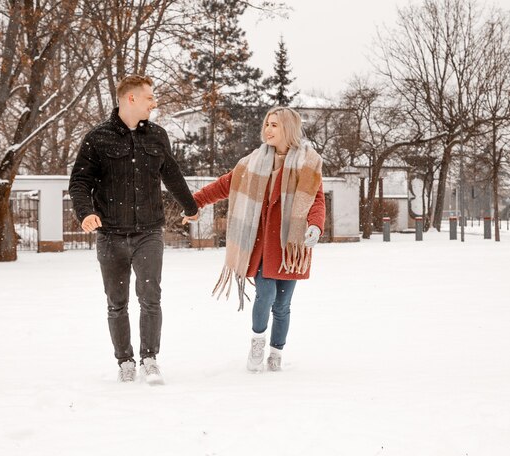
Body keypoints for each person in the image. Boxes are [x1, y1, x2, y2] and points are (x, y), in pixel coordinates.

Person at [69, 75, 199, 384]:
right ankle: (125, 361)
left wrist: (190, 206)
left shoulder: (157, 136)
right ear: (131, 99)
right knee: (117, 303)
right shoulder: (97, 138)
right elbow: (79, 183)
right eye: (150, 97)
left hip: (149, 233)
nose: (154, 103)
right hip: (111, 235)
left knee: (150, 296)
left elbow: (172, 174)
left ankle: (150, 357)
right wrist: (85, 213)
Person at [188, 107, 325, 372]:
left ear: (289, 129)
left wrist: (315, 226)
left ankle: (276, 352)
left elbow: (316, 200)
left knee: (283, 305)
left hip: (290, 245)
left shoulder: (308, 163)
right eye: (267, 124)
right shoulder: (252, 162)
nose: (268, 129)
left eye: (275, 125)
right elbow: (224, 185)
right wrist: (194, 202)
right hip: (261, 243)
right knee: (266, 293)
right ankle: (258, 340)